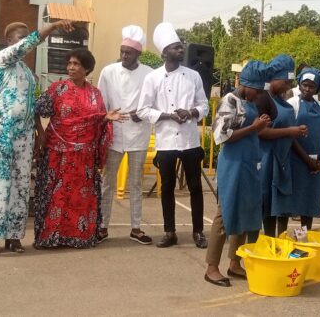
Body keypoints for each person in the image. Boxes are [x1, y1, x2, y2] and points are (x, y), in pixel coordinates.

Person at [0, 19, 74, 254]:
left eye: (27, 37)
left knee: (20, 184)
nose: (26, 42)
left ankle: (13, 236)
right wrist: (54, 25)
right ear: (9, 41)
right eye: (20, 37)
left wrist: (39, 132)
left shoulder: (27, 72)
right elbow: (30, 42)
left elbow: (32, 104)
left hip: (24, 132)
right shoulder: (3, 59)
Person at [33, 48, 128, 249]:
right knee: (56, 195)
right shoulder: (57, 89)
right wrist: (40, 133)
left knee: (80, 196)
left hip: (83, 156)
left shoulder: (95, 94)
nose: (71, 67)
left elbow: (98, 120)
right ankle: (52, 237)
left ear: (87, 68)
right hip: (57, 151)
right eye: (69, 64)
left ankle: (79, 236)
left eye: (76, 64)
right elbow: (36, 109)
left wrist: (106, 119)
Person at [137, 22, 209, 248]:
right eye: (176, 47)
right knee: (166, 187)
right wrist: (168, 115)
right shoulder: (153, 78)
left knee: (195, 187)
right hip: (166, 141)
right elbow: (143, 110)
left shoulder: (194, 76)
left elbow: (204, 106)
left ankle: (198, 231)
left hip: (189, 140)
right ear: (164, 52)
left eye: (181, 47)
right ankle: (170, 232)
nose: (181, 50)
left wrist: (190, 112)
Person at [204, 60, 271, 287]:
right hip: (233, 164)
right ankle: (212, 267)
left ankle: (235, 262)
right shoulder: (230, 101)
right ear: (246, 83)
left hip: (250, 164)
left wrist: (258, 126)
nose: (259, 95)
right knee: (226, 214)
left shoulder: (249, 101)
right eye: (257, 90)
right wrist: (254, 128)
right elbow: (221, 136)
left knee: (246, 212)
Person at [97, 25, 155, 245]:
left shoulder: (149, 73)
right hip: (114, 134)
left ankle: (136, 228)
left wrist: (143, 114)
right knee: (107, 182)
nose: (123, 55)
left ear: (138, 53)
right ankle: (102, 226)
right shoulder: (108, 71)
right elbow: (101, 102)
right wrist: (106, 117)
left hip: (138, 135)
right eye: (122, 51)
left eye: (128, 52)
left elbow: (153, 103)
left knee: (136, 184)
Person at [257, 54, 308, 237]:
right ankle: (270, 240)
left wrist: (295, 132)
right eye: (286, 82)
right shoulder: (263, 99)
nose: (288, 86)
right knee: (268, 203)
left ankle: (282, 239)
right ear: (274, 78)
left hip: (283, 158)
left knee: (282, 203)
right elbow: (260, 131)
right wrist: (290, 132)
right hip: (268, 158)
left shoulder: (280, 100)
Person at [286, 67, 320, 230]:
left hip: (315, 163)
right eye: (304, 85)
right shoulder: (293, 103)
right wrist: (307, 160)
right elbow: (291, 136)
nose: (307, 89)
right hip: (297, 159)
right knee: (295, 199)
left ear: (317, 88)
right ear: (299, 84)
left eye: (311, 86)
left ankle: (306, 233)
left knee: (311, 200)